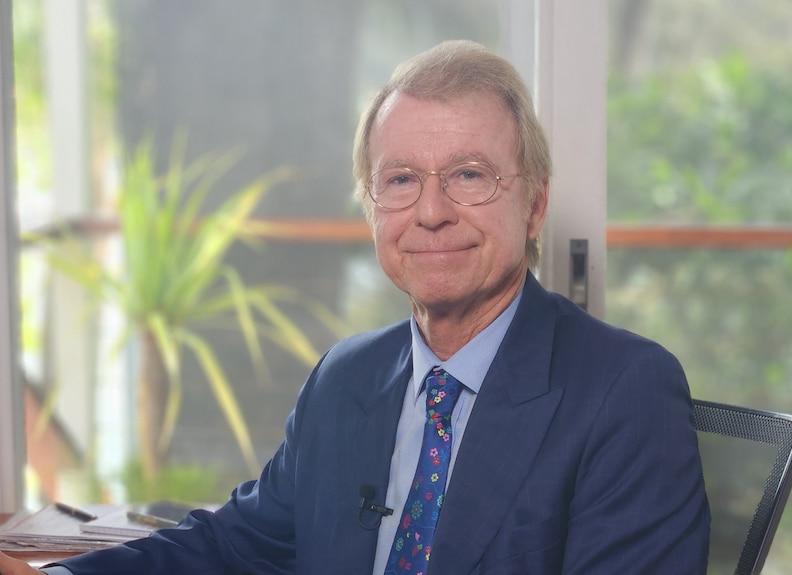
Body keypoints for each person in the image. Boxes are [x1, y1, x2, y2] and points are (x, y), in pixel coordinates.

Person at [0, 39, 710, 575]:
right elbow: (236, 542)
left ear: (536, 204)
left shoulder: (624, 392)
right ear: (372, 208)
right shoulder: (346, 377)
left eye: (469, 174)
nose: (431, 212)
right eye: (400, 179)